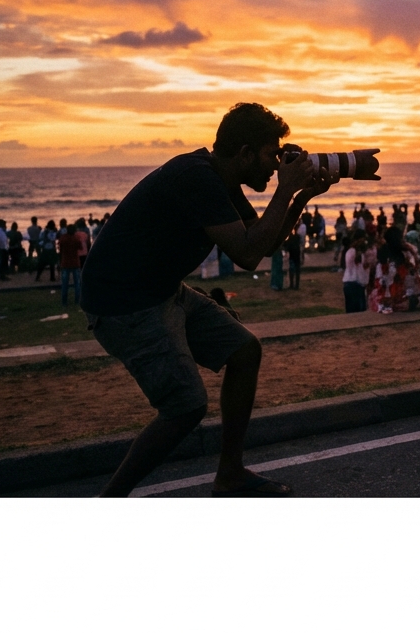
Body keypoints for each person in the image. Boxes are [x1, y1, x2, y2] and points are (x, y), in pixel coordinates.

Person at [80, 101, 331, 497]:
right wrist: (285, 188)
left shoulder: (221, 180)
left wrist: (299, 198)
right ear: (245, 153)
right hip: (124, 304)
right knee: (185, 406)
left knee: (245, 351)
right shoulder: (197, 177)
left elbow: (262, 243)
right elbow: (248, 255)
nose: (275, 166)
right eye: (271, 155)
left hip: (160, 291)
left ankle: (230, 474)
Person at [368, 226, 420, 313]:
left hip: (381, 303)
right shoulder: (406, 256)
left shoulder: (382, 256)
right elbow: (414, 284)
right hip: (400, 302)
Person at [342, 229, 369, 312]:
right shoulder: (352, 252)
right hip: (354, 283)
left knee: (355, 310)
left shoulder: (356, 252)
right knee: (357, 310)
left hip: (355, 284)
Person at [58, 221, 82, 305]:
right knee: (77, 283)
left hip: (65, 262)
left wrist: (60, 261)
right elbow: (80, 247)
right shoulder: (76, 238)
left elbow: (60, 249)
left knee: (65, 284)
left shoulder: (63, 238)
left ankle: (64, 301)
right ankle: (77, 300)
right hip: (75, 262)